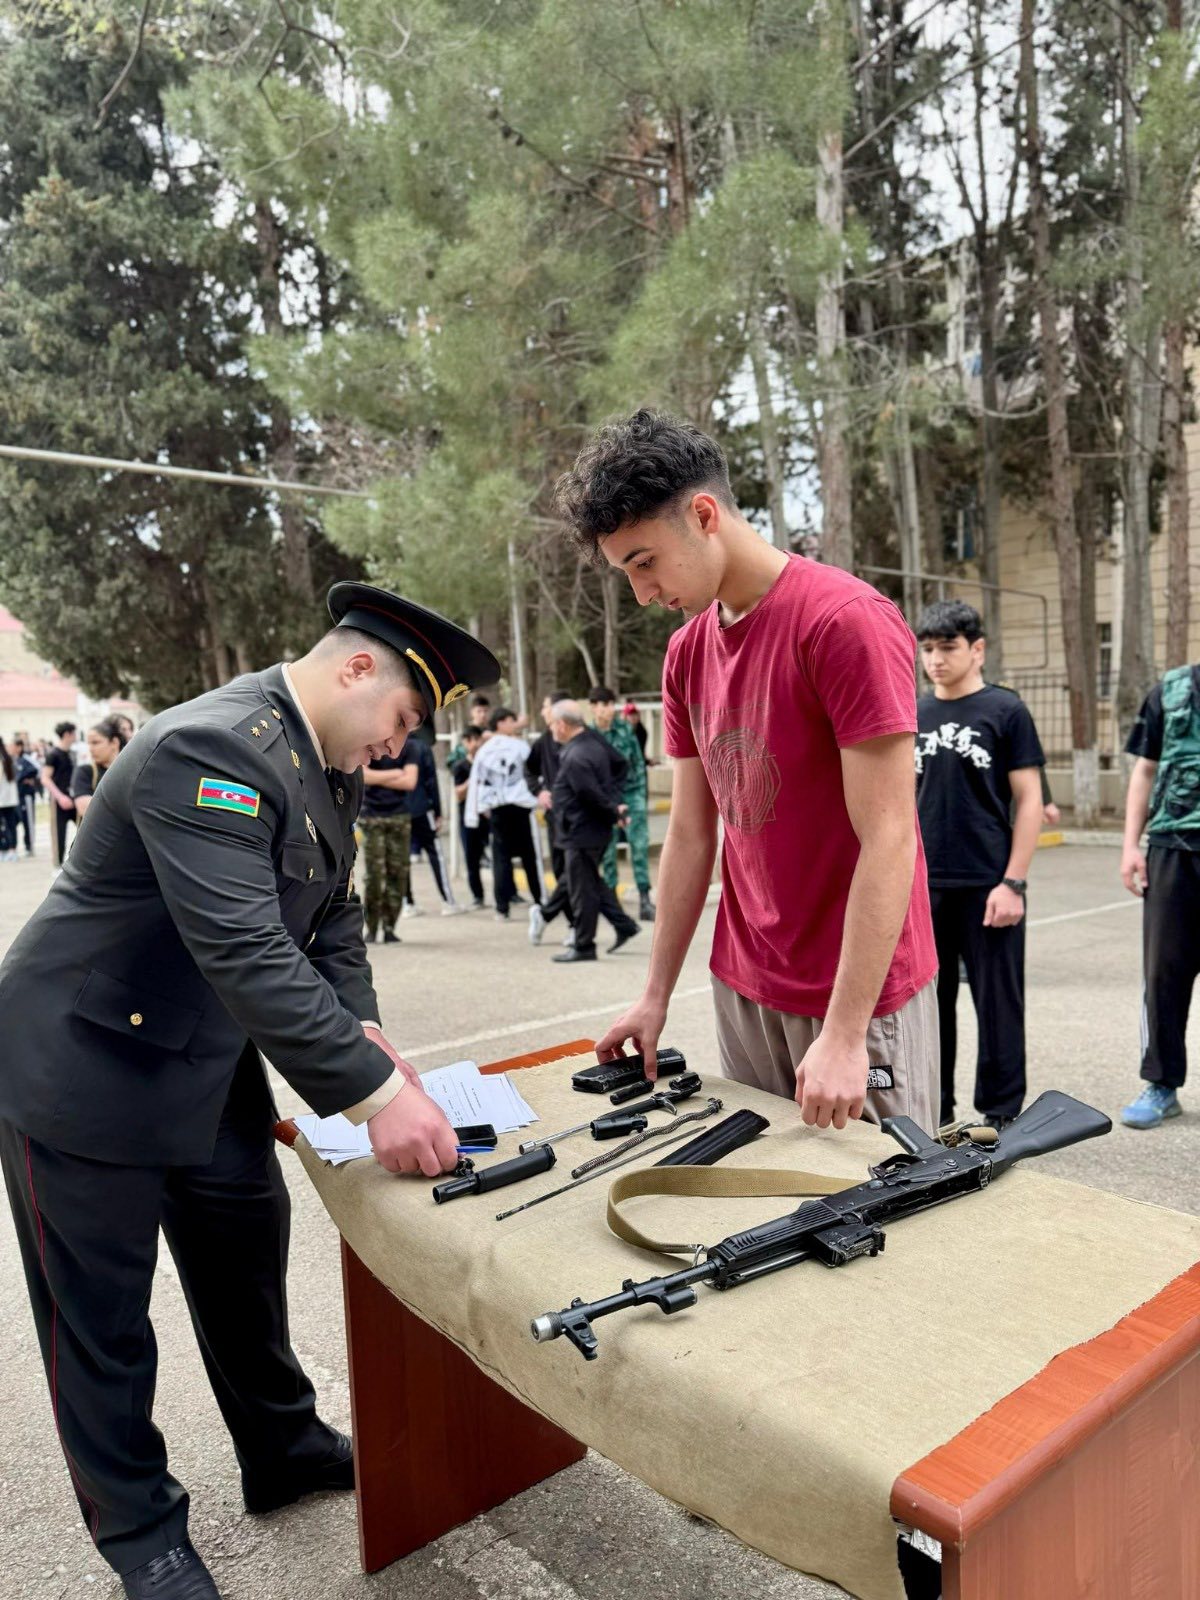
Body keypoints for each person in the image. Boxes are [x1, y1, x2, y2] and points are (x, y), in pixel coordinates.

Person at [0, 582, 499, 1600]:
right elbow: (245, 943)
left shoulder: (325, 765)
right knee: (99, 1321)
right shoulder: (213, 746)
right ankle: (143, 1535)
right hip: (81, 1065)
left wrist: (366, 1032)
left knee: (244, 1252)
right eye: (400, 720)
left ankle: (281, 1445)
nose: (388, 750)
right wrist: (373, 1097)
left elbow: (329, 923)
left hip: (201, 1056)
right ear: (358, 668)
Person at [555, 409, 938, 1131]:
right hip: (745, 983)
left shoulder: (845, 620)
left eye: (644, 562)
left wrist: (848, 1032)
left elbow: (891, 835)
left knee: (884, 1213)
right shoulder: (687, 654)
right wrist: (655, 993)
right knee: (770, 1207)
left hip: (856, 994)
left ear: (704, 515)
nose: (641, 593)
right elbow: (693, 837)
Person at [913, 601, 1045, 1129]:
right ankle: (934, 1111)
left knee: (998, 1004)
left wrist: (1013, 881)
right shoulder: (916, 712)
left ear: (977, 649)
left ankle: (1002, 1114)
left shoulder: (1005, 711)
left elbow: (1030, 800)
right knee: (928, 1010)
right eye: (927, 649)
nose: (936, 660)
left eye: (947, 647)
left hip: (991, 883)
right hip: (925, 885)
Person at [1119, 661, 1200, 1128]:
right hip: (1172, 849)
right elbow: (1145, 769)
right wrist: (1132, 845)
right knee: (1164, 973)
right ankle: (1162, 1084)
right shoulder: (1170, 691)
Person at [546, 699, 641, 963]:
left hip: (581, 831)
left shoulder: (577, 755)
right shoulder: (592, 741)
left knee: (581, 890)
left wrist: (613, 809)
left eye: (553, 723)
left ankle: (584, 944)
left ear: (562, 725)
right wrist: (615, 802)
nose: (551, 729)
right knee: (589, 882)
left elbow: (590, 794)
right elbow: (620, 765)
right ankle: (624, 925)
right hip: (586, 829)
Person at [463, 707, 544, 919]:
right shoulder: (520, 746)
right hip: (519, 806)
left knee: (502, 859)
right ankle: (539, 899)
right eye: (511, 720)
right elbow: (534, 773)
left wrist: (479, 810)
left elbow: (477, 784)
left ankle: (502, 907)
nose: (514, 724)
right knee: (528, 856)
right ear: (500, 723)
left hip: (497, 809)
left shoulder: (485, 750)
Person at [588, 684, 655, 922]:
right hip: (605, 801)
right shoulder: (589, 735)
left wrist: (637, 796)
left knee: (639, 845)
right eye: (604, 705)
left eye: (611, 704)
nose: (609, 709)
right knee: (608, 850)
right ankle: (613, 901)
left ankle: (645, 898)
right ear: (593, 708)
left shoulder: (625, 730)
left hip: (631, 794)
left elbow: (637, 763)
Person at [526, 692, 576, 944]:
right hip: (556, 818)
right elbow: (530, 771)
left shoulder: (580, 737)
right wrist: (539, 791)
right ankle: (571, 923)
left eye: (545, 706)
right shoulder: (543, 741)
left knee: (575, 870)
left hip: (580, 818)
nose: (542, 711)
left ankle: (548, 916)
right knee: (561, 870)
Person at [359, 742, 419, 945]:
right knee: (374, 876)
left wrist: (378, 779)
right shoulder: (372, 740)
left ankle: (390, 926)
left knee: (398, 873)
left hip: (399, 818)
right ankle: (372, 926)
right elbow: (363, 775)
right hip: (372, 817)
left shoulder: (410, 747)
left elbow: (410, 782)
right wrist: (395, 774)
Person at [401, 732, 465, 915]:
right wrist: (437, 811)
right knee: (435, 853)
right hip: (422, 808)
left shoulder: (390, 744)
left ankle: (408, 903)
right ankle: (448, 901)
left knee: (402, 858)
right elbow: (431, 780)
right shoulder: (421, 747)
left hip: (398, 810)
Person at [450, 726, 487, 906]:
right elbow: (458, 794)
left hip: (488, 816)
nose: (473, 744)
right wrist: (471, 781)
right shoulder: (460, 766)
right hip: (468, 818)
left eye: (475, 739)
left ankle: (509, 893)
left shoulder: (489, 763)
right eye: (468, 740)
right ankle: (477, 896)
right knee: (472, 859)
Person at [71, 716, 130, 820]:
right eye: (88, 743)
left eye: (95, 742)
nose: (90, 748)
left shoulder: (131, 771)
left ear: (114, 742)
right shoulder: (86, 771)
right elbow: (84, 808)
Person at [42, 720, 78, 869]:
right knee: (58, 835)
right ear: (67, 734)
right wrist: (60, 797)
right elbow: (45, 778)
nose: (76, 736)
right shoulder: (53, 754)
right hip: (58, 800)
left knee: (85, 830)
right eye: (74, 733)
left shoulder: (72, 753)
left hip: (74, 798)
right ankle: (57, 866)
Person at [13, 738, 41, 855]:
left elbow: (37, 769)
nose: (11, 749)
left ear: (19, 747)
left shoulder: (26, 759)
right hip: (17, 796)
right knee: (17, 819)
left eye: (13, 746)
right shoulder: (15, 760)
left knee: (28, 821)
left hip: (27, 796)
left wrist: (24, 778)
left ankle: (30, 847)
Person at [0, 741, 18, 862]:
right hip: (9, 798)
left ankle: (5, 849)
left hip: (2, 798)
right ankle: (12, 849)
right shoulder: (8, 758)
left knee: (4, 825)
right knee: (11, 824)